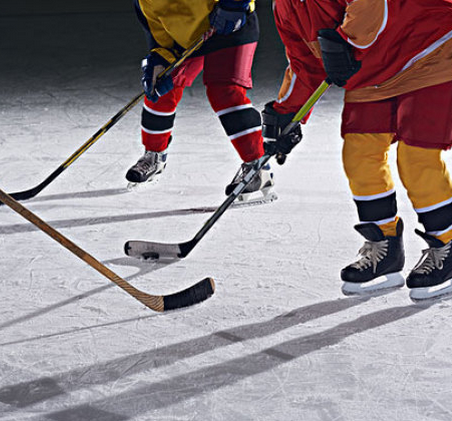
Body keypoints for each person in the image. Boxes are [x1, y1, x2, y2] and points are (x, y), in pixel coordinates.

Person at [263, 0, 452, 300]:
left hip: (429, 48)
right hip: (372, 71)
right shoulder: (285, 8)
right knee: (358, 154)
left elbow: (373, 8)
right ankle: (384, 246)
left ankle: (447, 242)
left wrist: (345, 42)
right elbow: (305, 64)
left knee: (416, 158)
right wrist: (285, 114)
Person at [127, 0, 275, 204]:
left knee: (225, 92)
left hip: (231, 25)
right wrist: (158, 61)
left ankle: (257, 168)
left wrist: (235, 4)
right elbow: (160, 40)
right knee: (160, 88)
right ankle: (154, 155)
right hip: (188, 40)